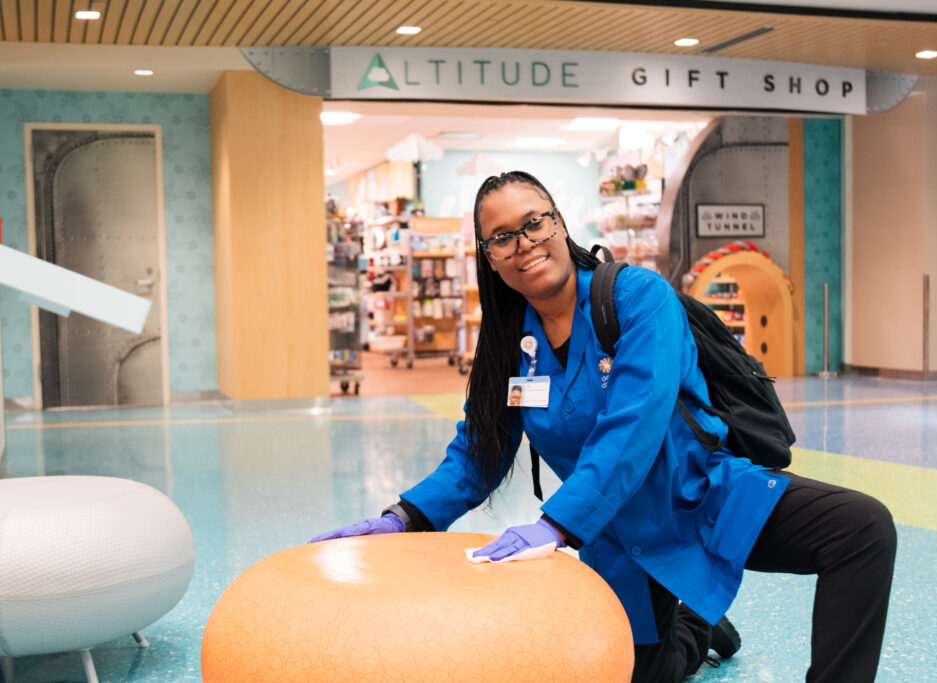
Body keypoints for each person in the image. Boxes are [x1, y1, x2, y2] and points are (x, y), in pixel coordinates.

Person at [311, 171, 896, 683]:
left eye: (534, 222)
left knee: (863, 529)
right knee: (640, 673)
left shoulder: (638, 298)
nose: (524, 244)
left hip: (701, 496)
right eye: (502, 237)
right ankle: (699, 627)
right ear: (489, 257)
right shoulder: (507, 346)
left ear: (559, 223)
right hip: (617, 534)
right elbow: (478, 453)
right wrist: (405, 517)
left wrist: (560, 525)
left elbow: (634, 424)